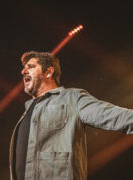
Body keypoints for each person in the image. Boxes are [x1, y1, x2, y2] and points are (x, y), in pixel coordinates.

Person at [9, 51, 133, 180]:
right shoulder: (27, 112)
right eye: (24, 68)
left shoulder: (72, 98)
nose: (23, 71)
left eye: (31, 66)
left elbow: (115, 116)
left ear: (48, 72)